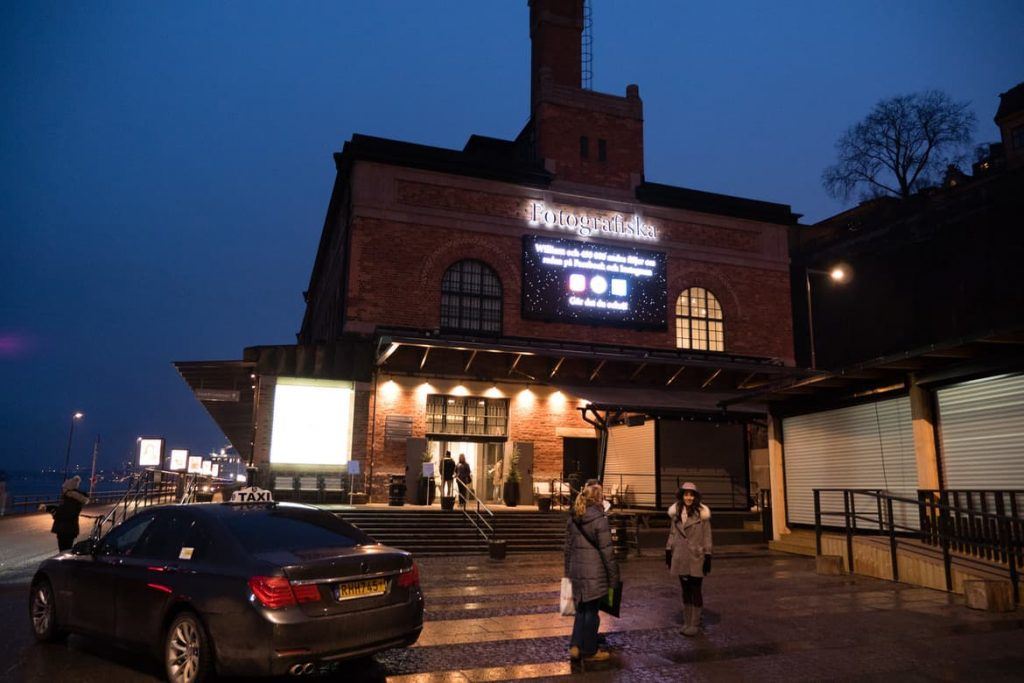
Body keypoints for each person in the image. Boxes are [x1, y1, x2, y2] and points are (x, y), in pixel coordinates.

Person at [564, 480, 619, 662]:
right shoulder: (599, 520)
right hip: (594, 572)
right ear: (598, 498)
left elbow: (568, 548)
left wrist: (568, 572)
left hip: (576, 570)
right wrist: (614, 578)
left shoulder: (573, 518)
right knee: (591, 613)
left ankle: (575, 646)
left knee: (581, 610)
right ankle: (589, 650)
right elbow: (607, 551)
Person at [666, 481, 713, 637]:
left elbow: (707, 535)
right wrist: (668, 550)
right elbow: (672, 533)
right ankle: (687, 622)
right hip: (680, 556)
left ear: (695, 496)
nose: (689, 497)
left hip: (696, 556)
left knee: (695, 589)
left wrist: (708, 554)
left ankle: (695, 623)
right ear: (681, 496)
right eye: (686, 494)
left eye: (691, 495)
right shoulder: (676, 514)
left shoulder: (702, 514)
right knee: (685, 590)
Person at [52, 475, 89, 552]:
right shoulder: (73, 499)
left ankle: (64, 563)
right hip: (69, 529)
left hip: (65, 529)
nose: (63, 490)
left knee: (64, 550)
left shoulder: (70, 500)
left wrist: (55, 513)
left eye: (64, 488)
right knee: (66, 549)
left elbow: (66, 514)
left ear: (68, 489)